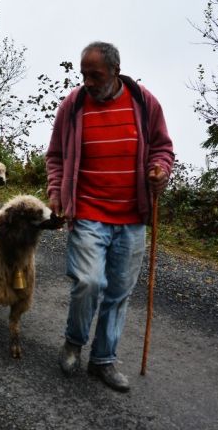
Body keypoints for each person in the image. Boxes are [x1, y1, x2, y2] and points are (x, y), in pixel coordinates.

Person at [45, 41, 174, 392]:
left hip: (132, 217)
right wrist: (57, 192)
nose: (87, 81)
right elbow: (55, 155)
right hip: (88, 211)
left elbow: (162, 148)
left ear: (115, 72)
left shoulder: (143, 103)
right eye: (83, 74)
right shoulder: (73, 106)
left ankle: (103, 360)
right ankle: (74, 342)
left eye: (95, 75)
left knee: (118, 292)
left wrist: (159, 169)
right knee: (88, 282)